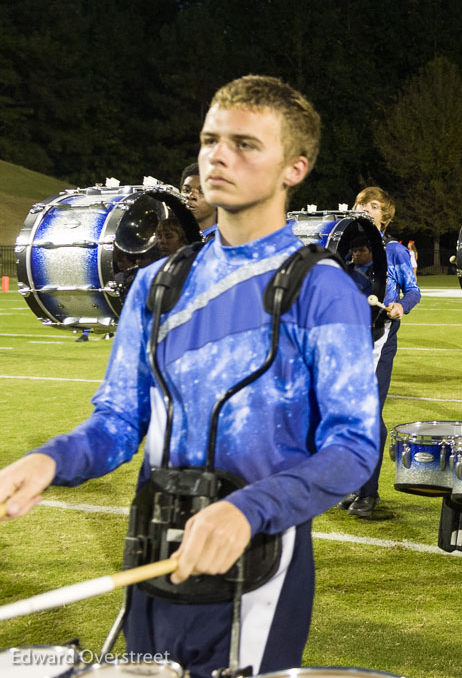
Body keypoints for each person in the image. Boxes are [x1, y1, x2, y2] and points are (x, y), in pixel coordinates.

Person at [0, 75, 380, 676]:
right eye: (210, 139)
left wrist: (250, 508)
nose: (218, 156)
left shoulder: (322, 287)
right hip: (152, 550)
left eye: (245, 144)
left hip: (257, 562)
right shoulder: (157, 284)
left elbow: (354, 447)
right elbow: (121, 420)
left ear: (295, 168)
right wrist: (49, 461)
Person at [339, 186, 421, 518]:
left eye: (372, 206)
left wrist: (401, 305)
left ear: (384, 216)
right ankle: (354, 484)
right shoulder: (345, 248)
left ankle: (368, 493)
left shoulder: (394, 251)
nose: (364, 209)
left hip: (378, 335)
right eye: (360, 204)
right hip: (346, 337)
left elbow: (413, 291)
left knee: (369, 413)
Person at [180, 162, 218, 238]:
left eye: (202, 191)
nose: (191, 196)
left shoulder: (228, 243)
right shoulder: (166, 240)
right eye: (186, 190)